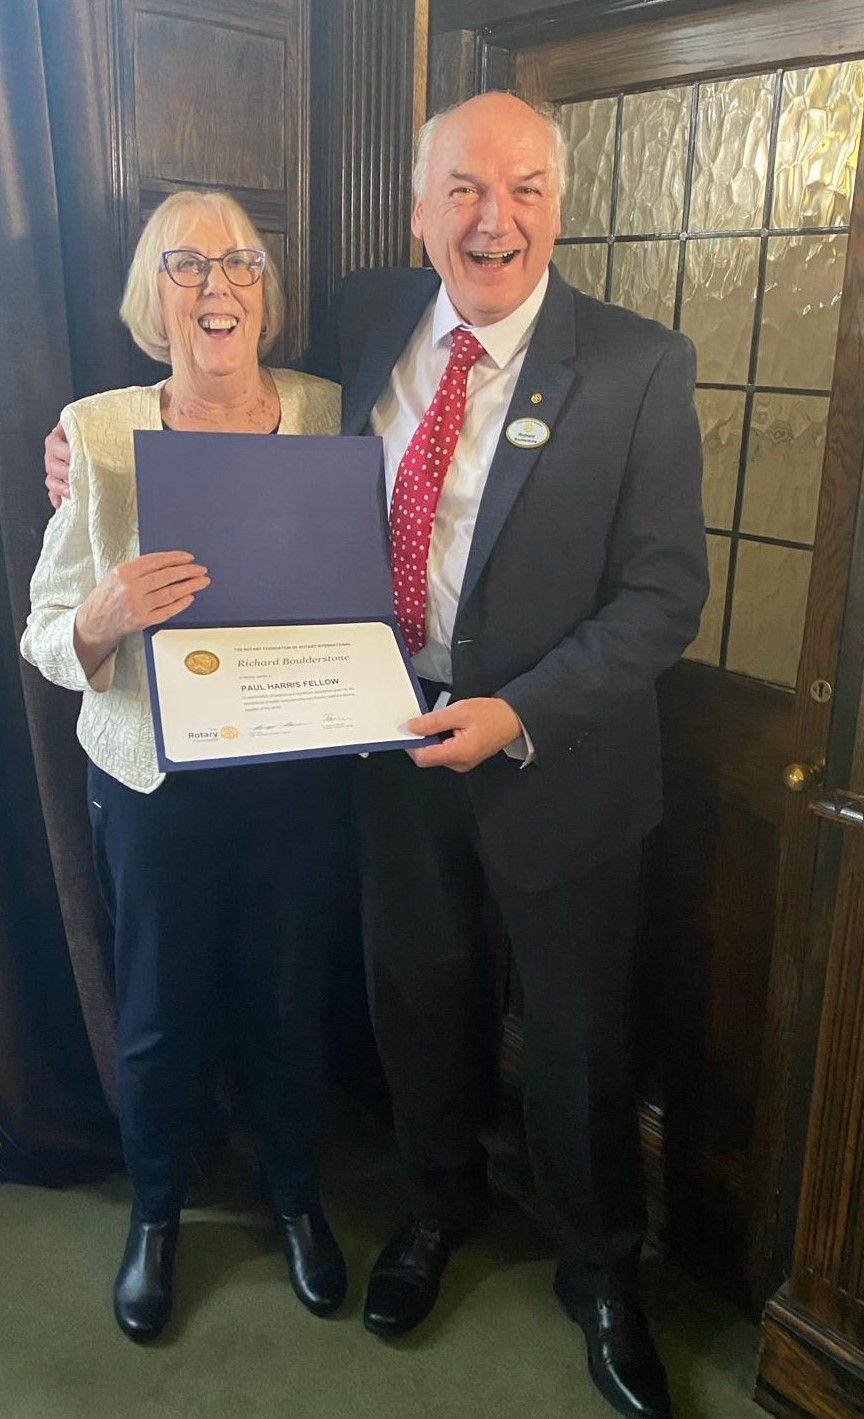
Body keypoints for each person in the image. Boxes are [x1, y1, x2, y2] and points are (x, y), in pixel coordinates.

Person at [44, 93, 706, 1417]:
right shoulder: (367, 323)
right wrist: (86, 443)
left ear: (557, 205)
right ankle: (434, 1210)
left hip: (555, 752)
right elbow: (215, 403)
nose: (493, 219)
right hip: (387, 739)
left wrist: (517, 710)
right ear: (416, 210)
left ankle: (601, 1277)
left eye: (523, 189)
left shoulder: (639, 364)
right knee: (419, 1000)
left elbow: (663, 598)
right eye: (463, 188)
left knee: (577, 1034)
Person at [26, 189, 352, 1343]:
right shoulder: (96, 430)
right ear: (150, 297)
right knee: (158, 1010)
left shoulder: (328, 409)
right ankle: (155, 1214)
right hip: (152, 778)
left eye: (241, 262)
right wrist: (101, 616)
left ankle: (297, 1197)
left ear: (268, 288)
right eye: (186, 264)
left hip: (295, 768)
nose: (218, 285)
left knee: (289, 996)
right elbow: (42, 629)